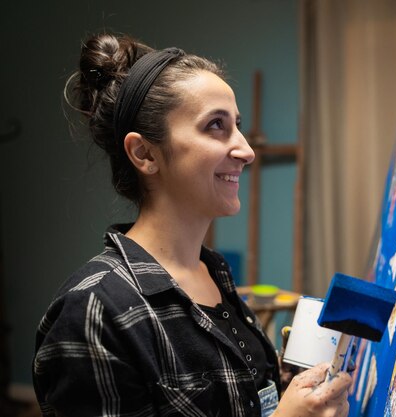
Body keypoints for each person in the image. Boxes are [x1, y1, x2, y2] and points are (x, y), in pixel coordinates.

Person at [32, 33, 352, 417]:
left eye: (237, 124)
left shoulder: (213, 272)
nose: (247, 151)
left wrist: (286, 386)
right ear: (145, 153)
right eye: (215, 125)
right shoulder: (94, 311)